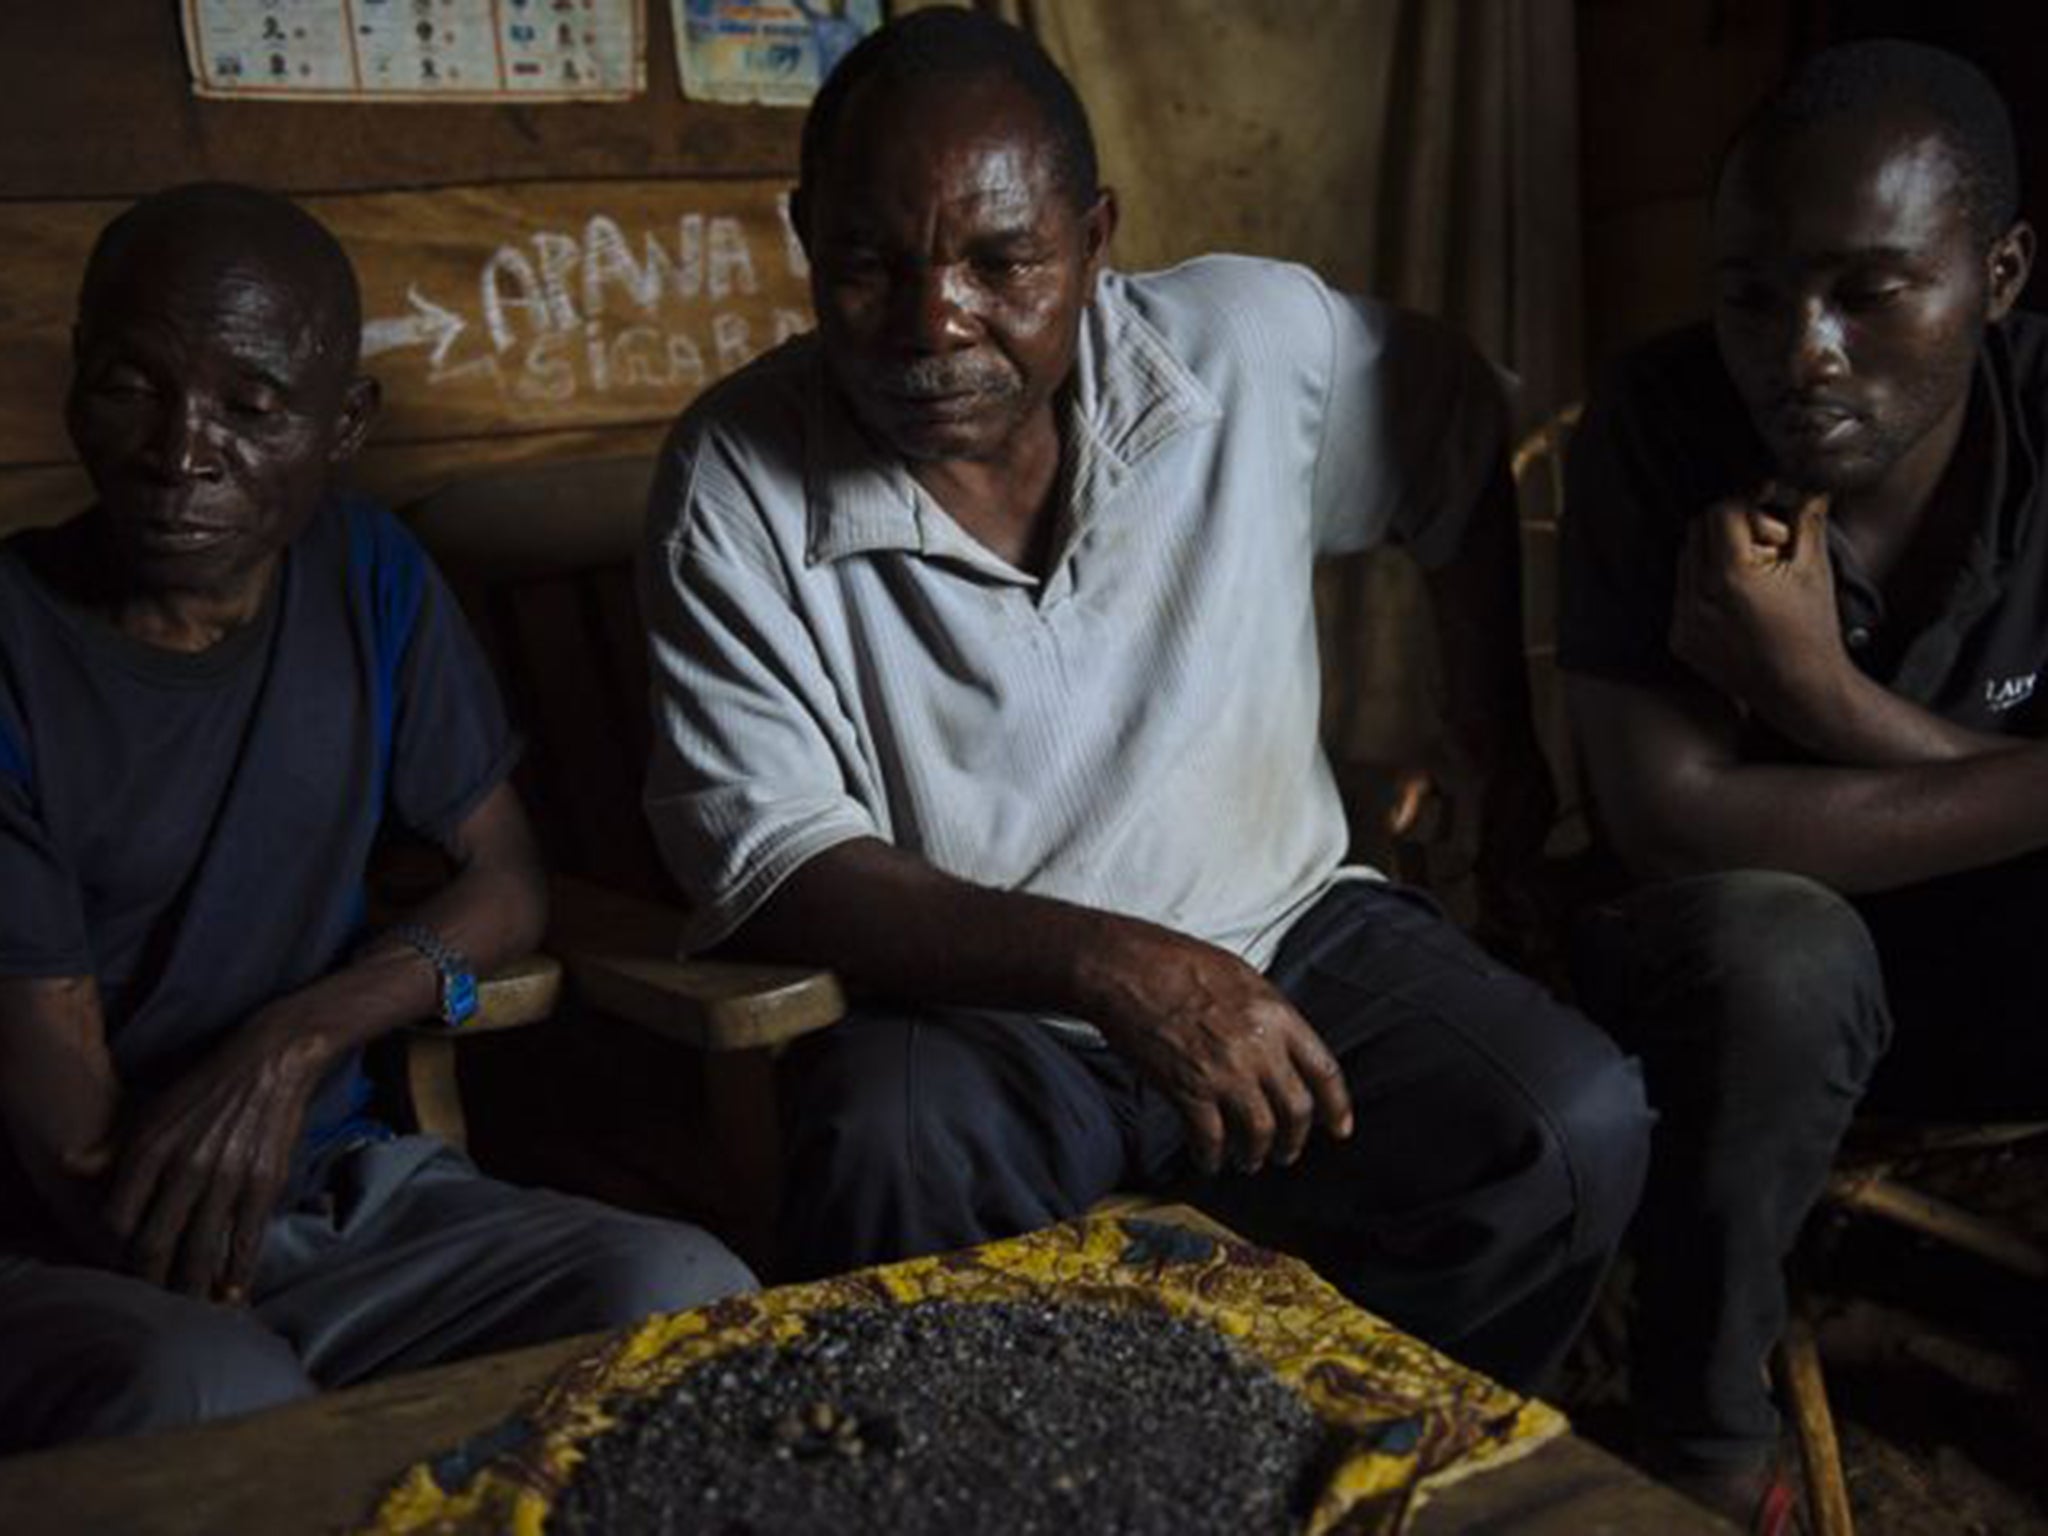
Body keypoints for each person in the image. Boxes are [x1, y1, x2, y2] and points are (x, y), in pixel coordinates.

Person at [641, 7, 1649, 1394]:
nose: (938, 323)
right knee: (882, 1170)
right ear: (808, 234)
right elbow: (773, 863)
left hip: (1292, 935)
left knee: (1567, 1123)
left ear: (1097, 238)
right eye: (872, 263)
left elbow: (1453, 432)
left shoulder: (1243, 347)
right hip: (985, 1011)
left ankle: (1323, 1454)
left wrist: (1488, 745)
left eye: (1003, 263)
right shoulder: (736, 475)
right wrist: (1117, 967)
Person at [0, 184, 754, 1453]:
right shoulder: (15, 644)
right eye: (133, 386)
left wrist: (295, 1040)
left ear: (344, 423)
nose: (181, 452)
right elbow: (81, 1158)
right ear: (78, 383)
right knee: (220, 1402)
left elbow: (502, 879)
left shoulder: (366, 572)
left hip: (340, 1198)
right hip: (61, 1242)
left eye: (250, 408)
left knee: (686, 1298)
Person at [1559, 39, 2044, 1527]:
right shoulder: (1656, 425)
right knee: (1779, 939)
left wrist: (1813, 696)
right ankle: (1706, 1455)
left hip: (2012, 982)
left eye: (1868, 291)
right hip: (1732, 1008)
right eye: (1753, 295)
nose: (1801, 350)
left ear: (2001, 275)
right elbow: (1673, 816)